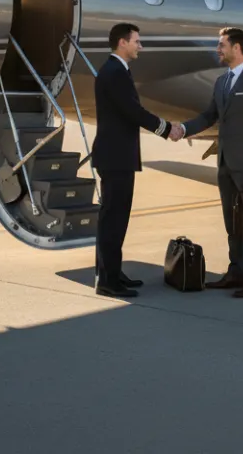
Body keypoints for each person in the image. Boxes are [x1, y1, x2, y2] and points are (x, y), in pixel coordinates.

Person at [174, 27, 243, 298]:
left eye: (222, 45)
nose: (218, 49)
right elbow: (209, 116)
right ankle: (236, 272)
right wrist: (183, 129)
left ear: (237, 48)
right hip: (225, 165)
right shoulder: (221, 82)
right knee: (232, 221)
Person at [91, 22, 175, 298]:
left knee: (114, 219)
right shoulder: (115, 72)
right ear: (122, 43)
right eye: (137, 41)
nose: (140, 46)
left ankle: (111, 272)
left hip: (116, 156)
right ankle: (107, 281)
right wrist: (165, 128)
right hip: (116, 158)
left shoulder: (116, 70)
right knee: (113, 220)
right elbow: (133, 111)